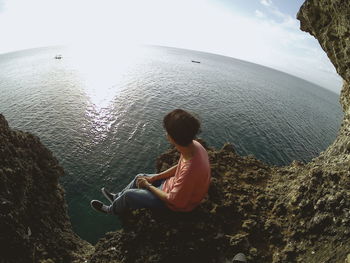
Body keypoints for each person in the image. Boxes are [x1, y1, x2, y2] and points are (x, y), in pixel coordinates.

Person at [90, 109, 211, 215]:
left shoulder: (191, 170)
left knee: (129, 195)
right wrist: (155, 178)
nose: (166, 134)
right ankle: (117, 198)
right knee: (140, 177)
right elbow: (179, 167)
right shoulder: (193, 146)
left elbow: (174, 201)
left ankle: (111, 210)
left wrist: (148, 185)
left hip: (174, 206)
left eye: (167, 131)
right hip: (172, 187)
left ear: (173, 137)